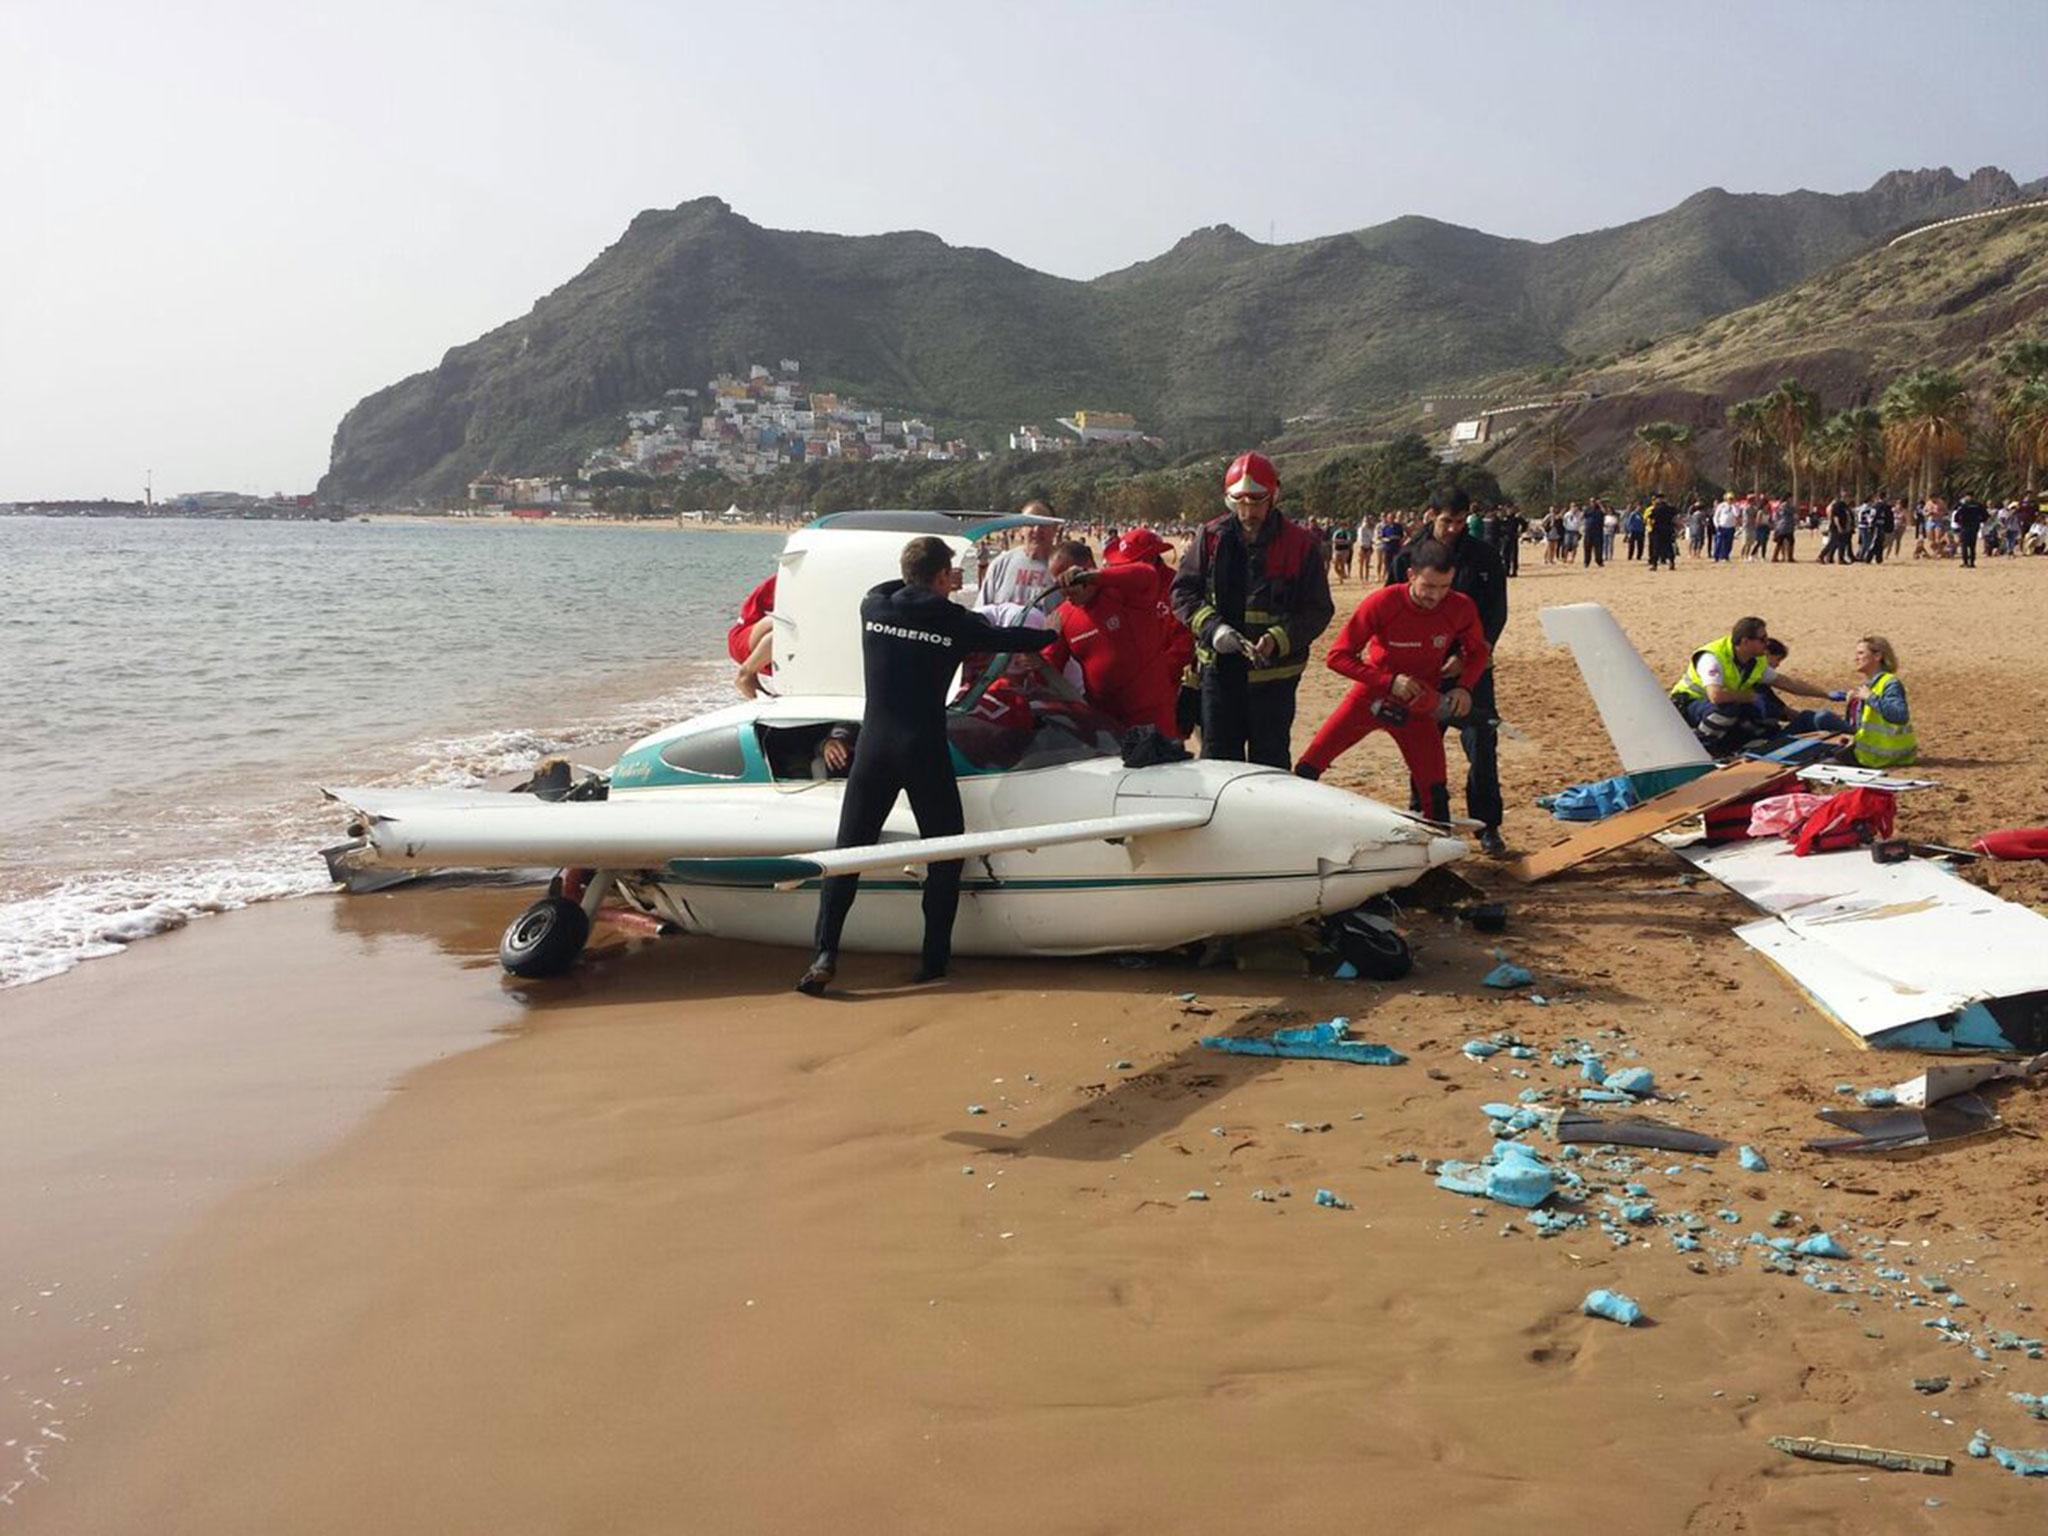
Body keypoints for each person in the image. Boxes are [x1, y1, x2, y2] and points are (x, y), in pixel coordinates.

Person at [797, 537, 1059, 996]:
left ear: (905, 572)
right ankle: (933, 961)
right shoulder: (955, 621)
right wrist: (1055, 629)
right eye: (949, 577)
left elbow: (887, 587)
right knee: (944, 857)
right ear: (943, 577)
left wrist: (917, 580)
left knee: (846, 857)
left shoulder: (873, 607)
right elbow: (1012, 638)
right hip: (924, 752)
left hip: (873, 750)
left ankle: (824, 954)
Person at [1293, 539, 1489, 822]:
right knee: (1310, 766)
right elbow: (1337, 656)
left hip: (1418, 705)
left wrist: (1464, 687)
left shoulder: (1460, 607)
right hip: (1369, 698)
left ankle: (1437, 857)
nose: (1436, 596)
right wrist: (1388, 681)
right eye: (1429, 587)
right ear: (1411, 575)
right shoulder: (1383, 602)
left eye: (1445, 587)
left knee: (1434, 789)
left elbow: (1478, 652)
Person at [1170, 452, 1334, 768]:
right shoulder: (1212, 537)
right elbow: (1183, 593)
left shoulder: (1300, 545)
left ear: (1274, 496)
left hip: (1275, 680)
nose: (1248, 512)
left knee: (1269, 764)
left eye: (1256, 502)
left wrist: (1278, 638)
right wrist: (1213, 629)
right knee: (1219, 762)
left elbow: (1317, 609)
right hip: (1219, 675)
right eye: (1240, 503)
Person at [1387, 489, 1509, 854]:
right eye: (1446, 521)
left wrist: (1470, 656)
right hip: (1423, 671)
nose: (1454, 528)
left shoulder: (1484, 556)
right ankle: (1425, 819)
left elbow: (1495, 614)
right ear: (1431, 515)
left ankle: (1487, 826)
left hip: (1471, 672)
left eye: (1459, 521)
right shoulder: (1408, 555)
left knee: (1483, 744)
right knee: (1422, 745)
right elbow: (1393, 609)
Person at [1044, 540, 1179, 737]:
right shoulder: (1062, 616)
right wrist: (1040, 644)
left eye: (1070, 581)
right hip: (1107, 722)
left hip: (1152, 716)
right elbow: (1049, 667)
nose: (1066, 591)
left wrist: (1092, 577)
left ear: (1088, 565)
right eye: (1058, 584)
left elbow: (1147, 574)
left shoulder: (1124, 592)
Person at [1668, 616, 1835, 757]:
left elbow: (1787, 683)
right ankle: (1698, 749)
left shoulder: (1755, 661)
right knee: (1729, 709)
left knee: (1760, 713)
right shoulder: (1713, 657)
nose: (1766, 643)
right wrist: (1749, 697)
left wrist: (1826, 694)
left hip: (1714, 707)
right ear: (1745, 641)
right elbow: (1716, 696)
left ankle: (1735, 747)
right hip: (1688, 705)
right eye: (1762, 639)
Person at [1807, 636, 1917, 769]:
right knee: (1822, 720)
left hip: (1881, 756)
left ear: (1877, 656)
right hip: (1872, 752)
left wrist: (1870, 698)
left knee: (1818, 758)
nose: (1856, 658)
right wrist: (1854, 704)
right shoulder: (1872, 684)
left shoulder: (1890, 683)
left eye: (1861, 653)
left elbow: (1900, 716)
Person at [978, 508, 1058, 606]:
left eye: (1043, 524)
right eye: (1031, 523)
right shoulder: (1000, 564)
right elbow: (981, 612)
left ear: (1055, 528)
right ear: (1021, 529)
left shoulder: (1065, 567)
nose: (1036, 529)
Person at [727, 573, 778, 697]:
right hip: (747, 640)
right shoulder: (791, 577)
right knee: (785, 624)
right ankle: (746, 675)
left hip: (773, 653)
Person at [1954, 493, 1989, 568]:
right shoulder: (1978, 505)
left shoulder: (1963, 505)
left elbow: (1956, 517)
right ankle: (1972, 562)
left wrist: (1960, 523)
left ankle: (1966, 562)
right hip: (1974, 527)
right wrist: (1979, 521)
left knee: (1964, 545)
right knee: (1972, 545)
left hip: (1965, 527)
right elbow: (1986, 516)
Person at [1647, 494, 1679, 570]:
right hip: (1668, 529)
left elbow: (1651, 518)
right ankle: (1671, 563)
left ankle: (1654, 565)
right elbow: (1676, 515)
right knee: (1669, 546)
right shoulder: (1670, 508)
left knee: (1656, 547)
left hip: (1657, 530)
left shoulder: (1656, 509)